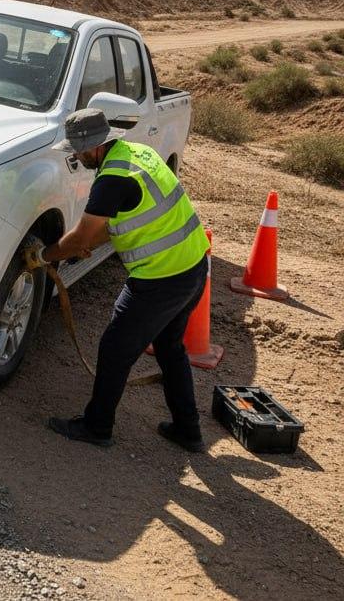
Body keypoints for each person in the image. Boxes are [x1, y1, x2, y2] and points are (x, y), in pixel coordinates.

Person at [27, 108, 210, 451]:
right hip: (194, 264)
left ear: (94, 147)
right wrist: (85, 244)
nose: (78, 158)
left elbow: (82, 237)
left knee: (114, 349)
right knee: (171, 348)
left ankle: (97, 427)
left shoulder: (111, 179)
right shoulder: (139, 153)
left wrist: (44, 256)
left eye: (79, 152)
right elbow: (122, 221)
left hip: (161, 278)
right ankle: (189, 430)